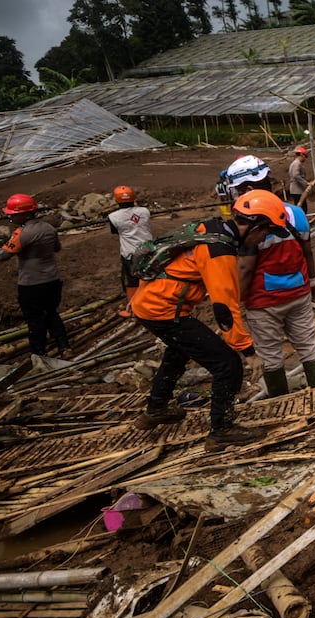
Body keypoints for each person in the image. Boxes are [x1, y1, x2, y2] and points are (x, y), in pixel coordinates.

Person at [130, 190, 284, 450]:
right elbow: (225, 308)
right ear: (256, 226)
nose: (264, 239)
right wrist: (248, 351)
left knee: (178, 351)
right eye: (266, 232)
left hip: (150, 303)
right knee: (227, 364)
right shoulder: (219, 251)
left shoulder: (212, 228)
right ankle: (221, 429)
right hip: (163, 310)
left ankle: (156, 408)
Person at [224, 160, 315, 398]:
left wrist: (236, 302)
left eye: (238, 190)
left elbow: (245, 269)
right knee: (308, 346)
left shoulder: (249, 221)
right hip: (299, 292)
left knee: (270, 356)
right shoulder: (296, 213)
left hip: (263, 301)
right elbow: (307, 252)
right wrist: (312, 281)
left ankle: (280, 401)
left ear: (247, 188)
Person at [0, 194, 69, 357]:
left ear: (26, 214)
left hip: (31, 284)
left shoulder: (21, 233)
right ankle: (64, 347)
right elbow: (57, 248)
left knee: (35, 320)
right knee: (51, 313)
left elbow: (1, 255)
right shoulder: (49, 228)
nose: (10, 217)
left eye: (13, 214)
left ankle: (39, 353)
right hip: (53, 280)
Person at [108, 185, 153, 319]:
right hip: (149, 249)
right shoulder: (144, 211)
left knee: (132, 281)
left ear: (116, 200)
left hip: (130, 253)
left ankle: (133, 309)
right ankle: (152, 303)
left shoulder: (113, 217)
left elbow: (115, 231)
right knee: (150, 276)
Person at [287, 146, 310, 211]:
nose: (305, 158)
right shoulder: (297, 164)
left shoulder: (295, 163)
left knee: (301, 206)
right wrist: (306, 183)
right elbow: (296, 175)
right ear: (301, 155)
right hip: (297, 189)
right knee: (302, 208)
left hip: (296, 189)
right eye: (305, 156)